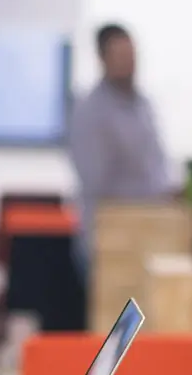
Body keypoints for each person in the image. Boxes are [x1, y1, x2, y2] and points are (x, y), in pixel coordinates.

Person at [69, 24, 172, 281]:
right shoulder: (89, 112)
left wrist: (167, 193)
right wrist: (152, 195)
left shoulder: (143, 104)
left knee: (146, 316)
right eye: (122, 56)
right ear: (103, 59)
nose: (130, 62)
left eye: (132, 55)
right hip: (109, 240)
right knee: (115, 318)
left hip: (149, 236)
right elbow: (96, 182)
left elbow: (154, 164)